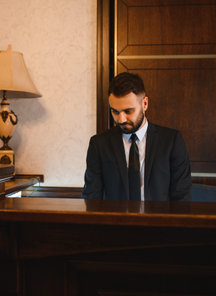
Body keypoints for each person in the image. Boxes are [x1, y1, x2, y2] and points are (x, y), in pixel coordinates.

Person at [82, 72, 192, 201]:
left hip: (159, 220)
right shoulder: (99, 144)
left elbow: (182, 198)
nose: (121, 119)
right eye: (115, 111)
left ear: (144, 104)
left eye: (128, 111)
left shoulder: (171, 141)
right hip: (115, 220)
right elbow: (91, 198)